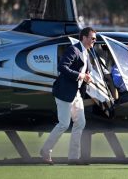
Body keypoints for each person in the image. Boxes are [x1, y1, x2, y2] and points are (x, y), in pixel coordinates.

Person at [40, 27, 96, 165]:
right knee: (64, 124)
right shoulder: (74, 50)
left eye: (95, 38)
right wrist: (80, 75)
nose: (94, 40)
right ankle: (45, 150)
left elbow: (82, 72)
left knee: (80, 123)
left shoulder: (86, 53)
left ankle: (73, 158)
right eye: (92, 38)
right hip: (64, 92)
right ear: (83, 38)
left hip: (76, 93)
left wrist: (87, 77)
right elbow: (62, 67)